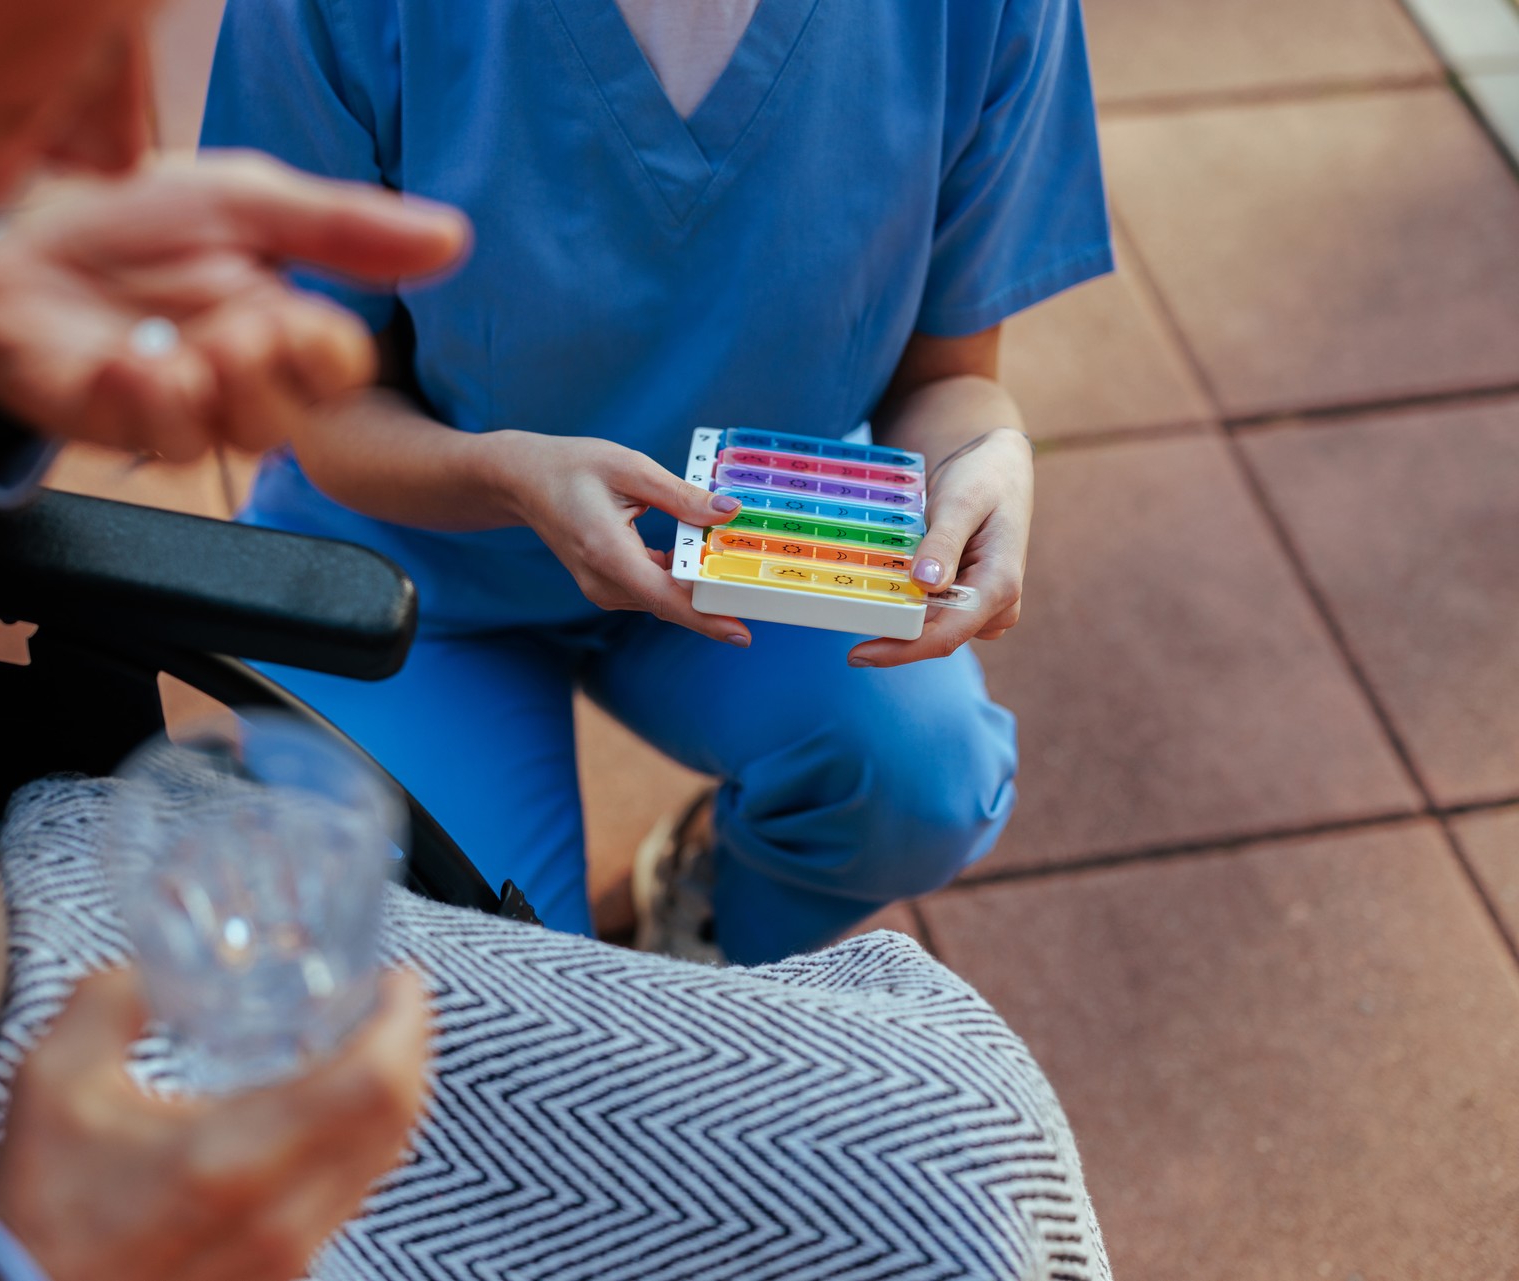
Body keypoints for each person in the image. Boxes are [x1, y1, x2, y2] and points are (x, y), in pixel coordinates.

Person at [0, 0, 1108, 1278]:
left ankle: (698, 903)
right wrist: (22, 1253)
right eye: (14, 101)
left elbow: (958, 376)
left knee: (966, 1120)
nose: (119, 150)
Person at [200, 0, 1113, 964]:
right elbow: (323, 410)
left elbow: (950, 378)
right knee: (485, 992)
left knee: (924, 781)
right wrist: (503, 478)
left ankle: (710, 892)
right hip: (414, 559)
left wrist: (986, 456)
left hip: (765, 549)